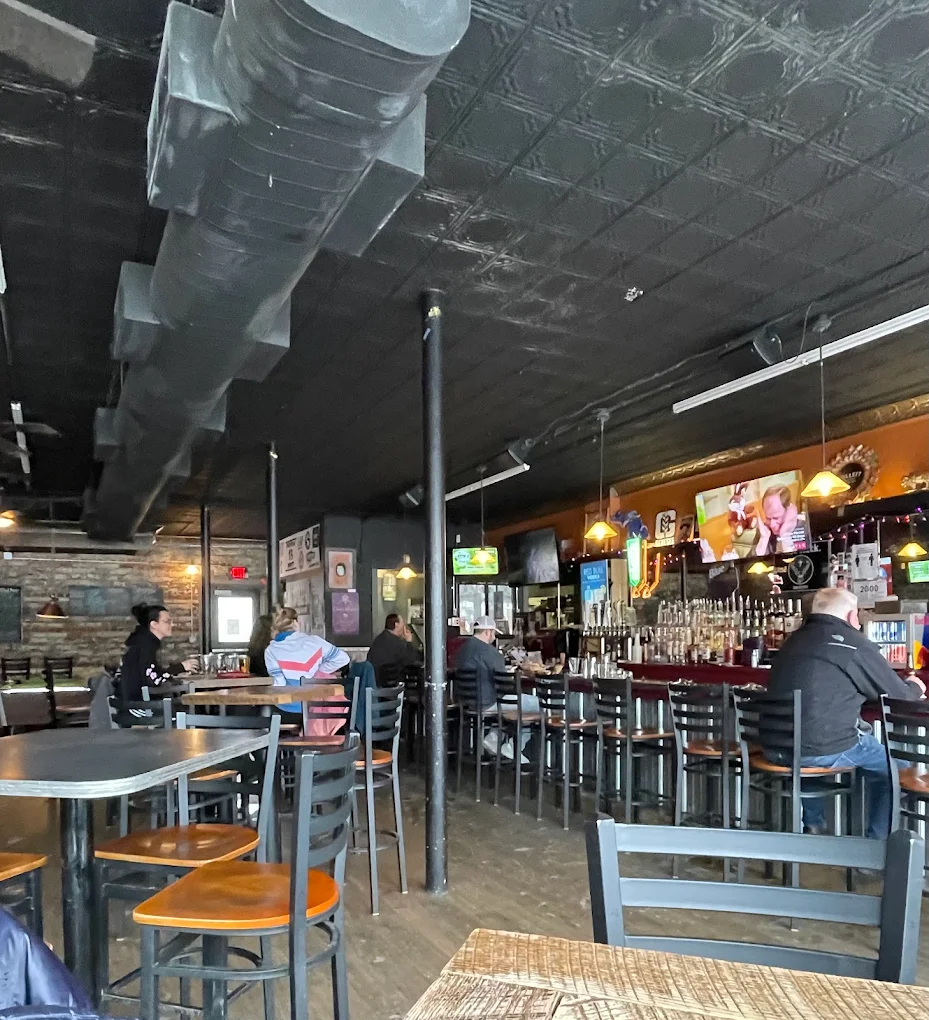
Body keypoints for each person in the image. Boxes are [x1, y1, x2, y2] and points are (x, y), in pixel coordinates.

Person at [764, 586, 925, 838]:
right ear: (852, 617)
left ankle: (814, 826)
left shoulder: (790, 642)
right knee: (898, 771)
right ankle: (874, 848)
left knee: (808, 742)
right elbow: (898, 696)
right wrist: (915, 686)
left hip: (776, 747)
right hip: (820, 748)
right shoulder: (853, 644)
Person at [454, 616, 539, 762]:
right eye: (493, 633)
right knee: (535, 703)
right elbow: (505, 685)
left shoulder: (462, 649)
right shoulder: (491, 653)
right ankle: (512, 746)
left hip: (467, 702)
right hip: (488, 703)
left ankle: (494, 736)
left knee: (511, 707)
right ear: (487, 632)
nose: (494, 637)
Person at [264, 606, 350, 715]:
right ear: (296, 623)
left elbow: (279, 683)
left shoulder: (271, 650)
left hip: (286, 709)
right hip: (315, 708)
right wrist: (318, 672)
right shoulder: (315, 642)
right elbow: (343, 658)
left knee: (267, 711)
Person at [118, 604, 197, 703]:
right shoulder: (146, 645)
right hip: (140, 706)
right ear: (154, 625)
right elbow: (153, 680)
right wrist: (180, 667)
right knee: (194, 711)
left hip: (133, 703)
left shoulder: (142, 641)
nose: (172, 625)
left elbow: (151, 672)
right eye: (167, 621)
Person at [367, 612, 422, 684]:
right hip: (390, 684)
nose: (404, 625)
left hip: (374, 681)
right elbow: (411, 660)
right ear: (396, 625)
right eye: (402, 623)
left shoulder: (380, 639)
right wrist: (409, 641)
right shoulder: (397, 642)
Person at [754, 484, 799, 555]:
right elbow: (750, 564)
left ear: (788, 511)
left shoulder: (801, 527)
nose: (772, 525)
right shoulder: (764, 530)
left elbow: (800, 563)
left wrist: (785, 535)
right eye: (768, 518)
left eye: (776, 518)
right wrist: (764, 539)